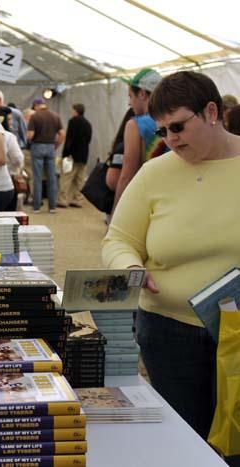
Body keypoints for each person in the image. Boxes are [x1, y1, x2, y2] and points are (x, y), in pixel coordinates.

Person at [102, 71, 240, 445]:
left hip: (237, 332)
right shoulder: (154, 173)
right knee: (185, 440)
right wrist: (130, 268)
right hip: (168, 332)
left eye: (178, 126)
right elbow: (117, 240)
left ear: (212, 111)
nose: (170, 140)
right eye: (162, 131)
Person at [111, 68, 168, 214]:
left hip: (146, 202)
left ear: (142, 93)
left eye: (130, 96)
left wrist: (115, 215)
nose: (130, 103)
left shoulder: (135, 125)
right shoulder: (175, 120)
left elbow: (126, 176)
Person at [27, 98, 65, 213]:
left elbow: (30, 135)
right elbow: (62, 133)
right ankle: (52, 207)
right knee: (52, 178)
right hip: (50, 147)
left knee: (37, 178)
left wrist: (29, 140)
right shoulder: (55, 116)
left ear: (36, 105)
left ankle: (37, 207)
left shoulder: (35, 117)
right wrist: (55, 146)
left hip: (37, 147)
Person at [57, 103, 92, 208]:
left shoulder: (72, 122)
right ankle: (77, 199)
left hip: (71, 156)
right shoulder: (88, 124)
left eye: (72, 110)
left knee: (66, 178)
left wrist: (65, 154)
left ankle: (63, 200)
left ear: (76, 111)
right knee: (80, 179)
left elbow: (69, 139)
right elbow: (88, 140)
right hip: (84, 156)